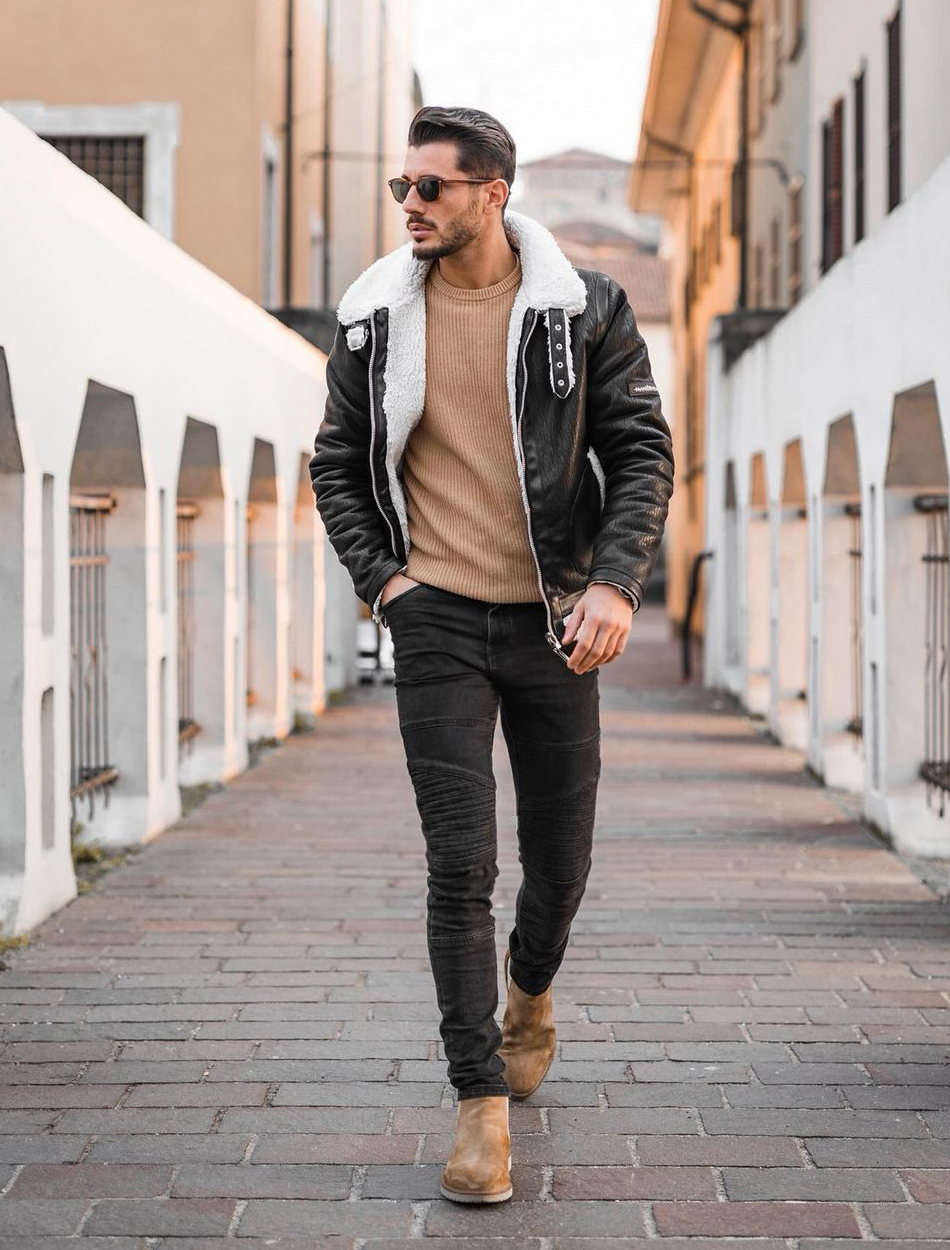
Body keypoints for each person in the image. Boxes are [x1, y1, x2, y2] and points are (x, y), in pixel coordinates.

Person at [310, 105, 674, 1204]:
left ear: (491, 191)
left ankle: (531, 988)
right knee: (459, 861)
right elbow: (334, 459)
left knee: (558, 861)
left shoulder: (583, 308)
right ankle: (478, 1104)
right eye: (401, 189)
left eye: (431, 188)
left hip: (556, 619)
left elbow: (640, 449)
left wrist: (612, 580)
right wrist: (386, 583)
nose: (410, 206)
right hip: (436, 623)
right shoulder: (373, 316)